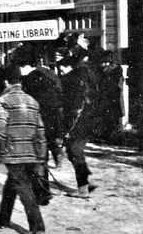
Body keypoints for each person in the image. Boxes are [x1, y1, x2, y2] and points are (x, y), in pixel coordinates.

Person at [0, 64, 47, 234]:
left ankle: (37, 227)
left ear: (5, 81)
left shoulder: (3, 101)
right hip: (30, 152)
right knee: (12, 184)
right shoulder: (33, 102)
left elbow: (0, 128)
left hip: (12, 153)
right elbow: (40, 133)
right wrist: (41, 157)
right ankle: (3, 219)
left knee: (24, 189)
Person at [15, 47, 62, 205]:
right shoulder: (48, 77)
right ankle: (43, 194)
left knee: (34, 161)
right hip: (49, 125)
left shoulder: (28, 81)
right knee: (42, 159)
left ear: (25, 65)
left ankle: (39, 194)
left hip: (34, 125)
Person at [59, 48, 98, 198]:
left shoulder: (72, 79)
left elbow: (75, 108)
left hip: (77, 122)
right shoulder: (88, 75)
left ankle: (83, 189)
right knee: (74, 152)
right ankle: (84, 183)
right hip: (87, 120)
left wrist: (68, 128)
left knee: (75, 152)